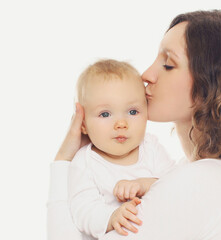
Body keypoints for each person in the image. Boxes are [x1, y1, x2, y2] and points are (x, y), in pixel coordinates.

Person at [47, 10, 221, 240]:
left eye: (168, 64)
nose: (146, 74)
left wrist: (62, 162)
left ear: (210, 86)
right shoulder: (211, 173)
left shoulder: (201, 181)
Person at [68, 59, 177, 239]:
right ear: (83, 125)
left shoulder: (151, 147)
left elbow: (176, 185)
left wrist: (144, 185)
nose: (121, 123)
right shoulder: (84, 162)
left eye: (132, 112)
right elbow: (83, 210)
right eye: (105, 114)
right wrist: (112, 217)